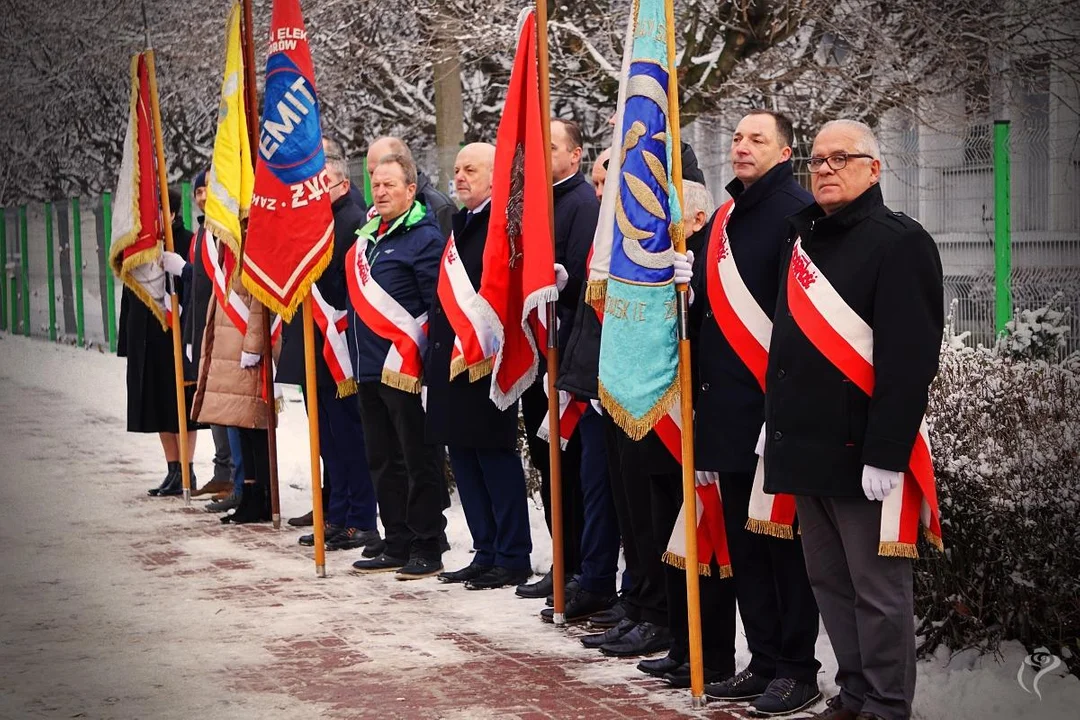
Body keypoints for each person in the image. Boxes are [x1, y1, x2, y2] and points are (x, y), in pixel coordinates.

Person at [764, 120, 944, 720]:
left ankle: (888, 705)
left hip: (863, 451)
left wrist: (887, 452)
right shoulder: (804, 239)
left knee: (878, 592)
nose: (825, 168)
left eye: (842, 158)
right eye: (817, 160)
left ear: (874, 168)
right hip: (807, 448)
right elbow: (788, 350)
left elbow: (909, 359)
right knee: (831, 586)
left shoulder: (900, 242)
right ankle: (857, 693)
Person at [683, 111, 821, 716]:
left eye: (756, 139)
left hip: (773, 413)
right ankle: (763, 659)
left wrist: (779, 410)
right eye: (737, 138)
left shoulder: (797, 212)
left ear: (786, 150)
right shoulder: (727, 215)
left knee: (784, 549)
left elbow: (800, 324)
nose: (741, 147)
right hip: (726, 409)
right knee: (746, 547)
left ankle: (797, 667)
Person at [426, 143, 534, 590]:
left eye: (470, 169)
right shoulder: (461, 223)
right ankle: (485, 548)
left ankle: (512, 554)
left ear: (495, 176)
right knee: (465, 459)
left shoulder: (502, 225)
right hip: (451, 361)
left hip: (487, 362)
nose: (460, 176)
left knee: (494, 458)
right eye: (456, 170)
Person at [347, 152, 448, 580]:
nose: (381, 191)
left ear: (412, 190)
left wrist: (429, 368)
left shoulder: (425, 237)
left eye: (390, 184)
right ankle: (396, 539)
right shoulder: (368, 236)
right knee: (382, 459)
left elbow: (434, 305)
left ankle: (427, 543)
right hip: (369, 368)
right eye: (376, 184)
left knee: (417, 457)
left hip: (407, 368)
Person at [276, 152, 382, 554]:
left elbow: (345, 285)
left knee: (349, 439)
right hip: (314, 348)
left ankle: (360, 519)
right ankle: (336, 515)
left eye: (321, 184)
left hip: (338, 348)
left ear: (340, 184)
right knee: (328, 443)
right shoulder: (318, 223)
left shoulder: (352, 220)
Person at [516, 118, 599, 603]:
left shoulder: (581, 205)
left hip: (566, 355)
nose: (541, 156)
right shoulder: (540, 203)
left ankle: (577, 566)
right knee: (551, 469)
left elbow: (581, 285)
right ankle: (562, 558)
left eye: (551, 147)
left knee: (568, 468)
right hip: (539, 352)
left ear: (575, 154)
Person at [160, 171, 236, 501]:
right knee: (213, 404)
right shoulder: (201, 234)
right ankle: (223, 472)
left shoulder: (224, 229)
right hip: (203, 328)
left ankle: (234, 474)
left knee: (226, 406)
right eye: (199, 191)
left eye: (208, 189)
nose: (203, 196)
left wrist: (186, 271)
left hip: (227, 328)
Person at [190, 234, 275, 524]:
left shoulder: (254, 241)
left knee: (254, 426)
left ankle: (262, 496)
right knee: (241, 426)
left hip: (245, 348)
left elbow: (259, 300)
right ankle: (248, 494)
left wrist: (253, 345)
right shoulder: (230, 246)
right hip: (229, 346)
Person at [120, 187, 200, 497]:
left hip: (178, 335)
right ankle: (173, 469)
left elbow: (196, 284)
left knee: (181, 404)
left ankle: (188, 469)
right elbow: (130, 292)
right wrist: (127, 340)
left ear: (174, 211)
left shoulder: (187, 241)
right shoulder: (139, 246)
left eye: (159, 210)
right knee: (156, 404)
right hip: (149, 335)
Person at [366, 136, 455, 237]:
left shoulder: (439, 207)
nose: (376, 178)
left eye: (382, 170)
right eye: (371, 172)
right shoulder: (372, 211)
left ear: (403, 164)